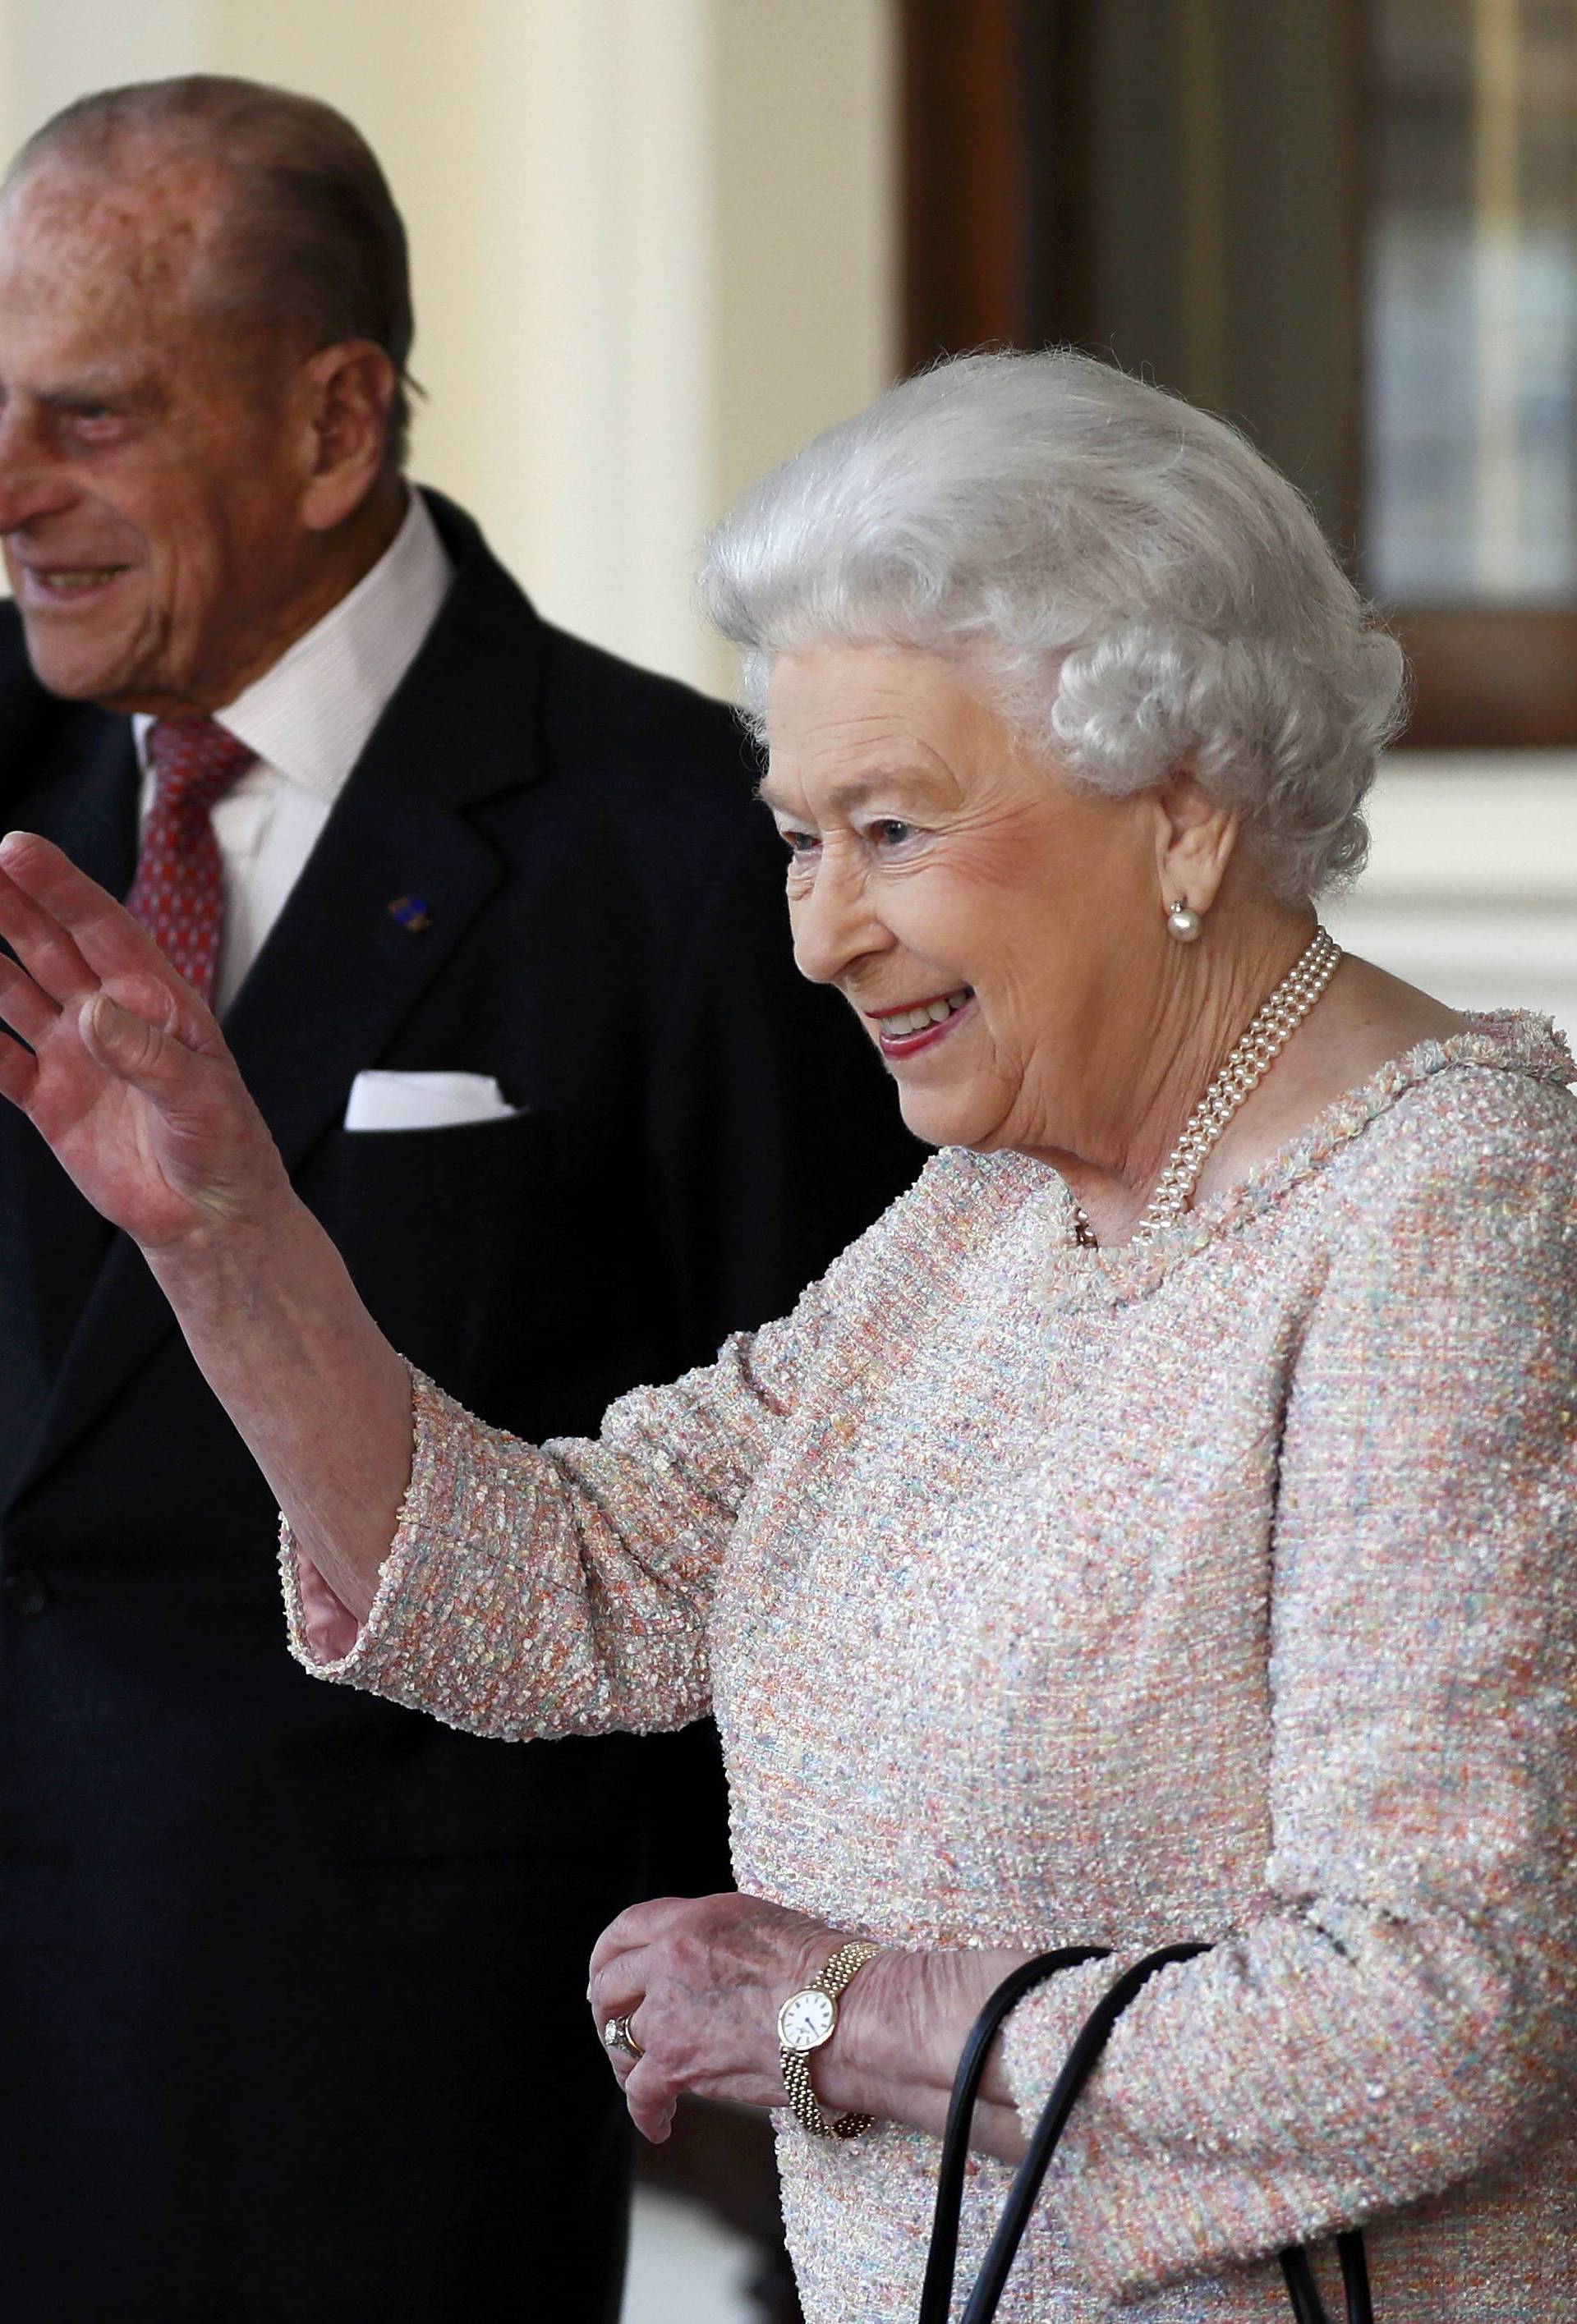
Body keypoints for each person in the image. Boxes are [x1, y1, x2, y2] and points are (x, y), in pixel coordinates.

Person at [2, 350, 1573, 2324]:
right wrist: (227, 1231)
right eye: (799, 838)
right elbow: (570, 1583)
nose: (822, 933)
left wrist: (839, 2009)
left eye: (895, 830)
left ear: (1183, 815)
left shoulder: (1443, 1207)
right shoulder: (989, 1205)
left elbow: (1436, 2004)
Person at [0, 75, 919, 2324]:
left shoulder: (687, 843)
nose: (11, 497)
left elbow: (829, 1515)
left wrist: (798, 2108)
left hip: (384, 2084)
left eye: (89, 420)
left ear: (335, 424)